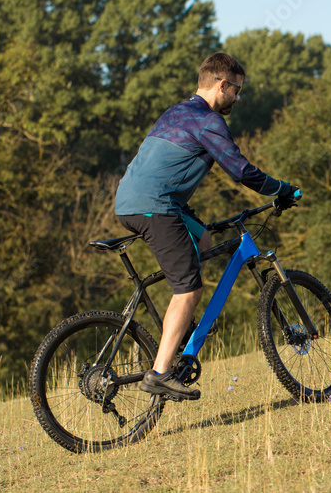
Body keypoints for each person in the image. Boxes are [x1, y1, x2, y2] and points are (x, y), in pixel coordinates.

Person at [114, 52, 296, 401]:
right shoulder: (208, 121)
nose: (238, 98)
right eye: (237, 90)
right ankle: (160, 372)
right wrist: (281, 189)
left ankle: (181, 335)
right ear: (221, 84)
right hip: (156, 207)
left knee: (203, 234)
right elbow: (241, 171)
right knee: (188, 289)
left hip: (132, 201)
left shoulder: (177, 112)